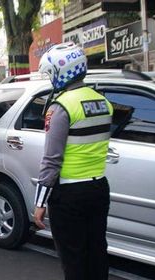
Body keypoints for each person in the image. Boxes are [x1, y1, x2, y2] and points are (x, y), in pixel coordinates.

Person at [33, 42, 113, 280]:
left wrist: (40, 203)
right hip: (98, 188)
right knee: (97, 252)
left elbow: (51, 160)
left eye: (51, 73)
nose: (50, 79)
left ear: (62, 71)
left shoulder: (62, 107)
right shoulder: (103, 103)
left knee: (73, 259)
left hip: (69, 195)